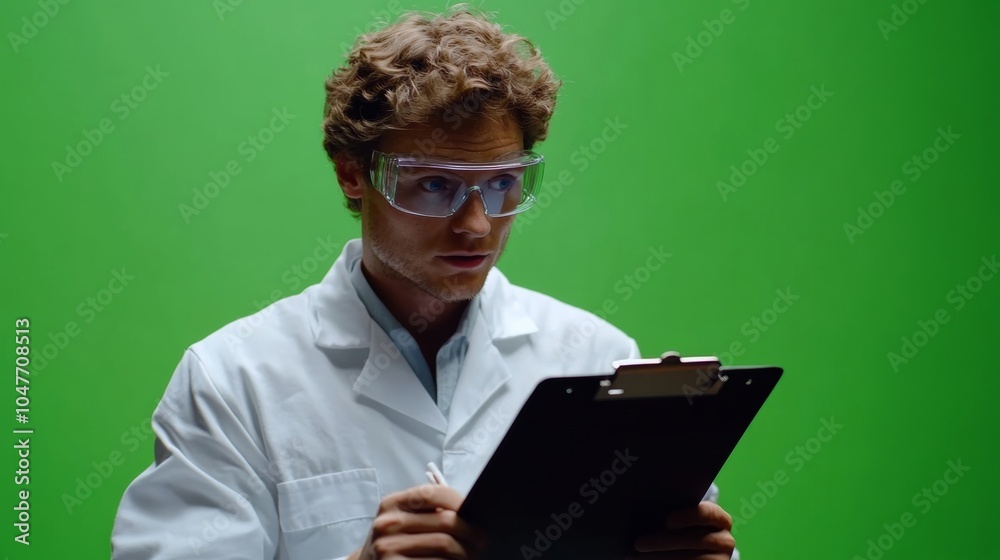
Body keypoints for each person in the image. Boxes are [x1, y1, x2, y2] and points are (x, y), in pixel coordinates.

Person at [112, 6, 739, 560]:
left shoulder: (600, 360)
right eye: (434, 184)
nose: (476, 224)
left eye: (501, 184)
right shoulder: (231, 382)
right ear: (352, 177)